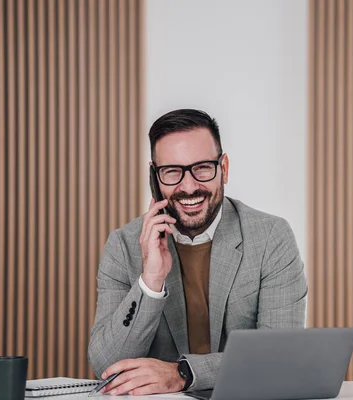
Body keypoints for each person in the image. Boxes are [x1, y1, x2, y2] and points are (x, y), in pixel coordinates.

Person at [87, 109, 307, 396]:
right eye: (172, 172)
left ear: (224, 168)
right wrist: (150, 281)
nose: (189, 186)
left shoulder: (270, 237)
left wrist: (184, 373)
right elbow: (107, 366)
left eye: (202, 167)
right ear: (155, 176)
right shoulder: (124, 245)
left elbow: (280, 356)